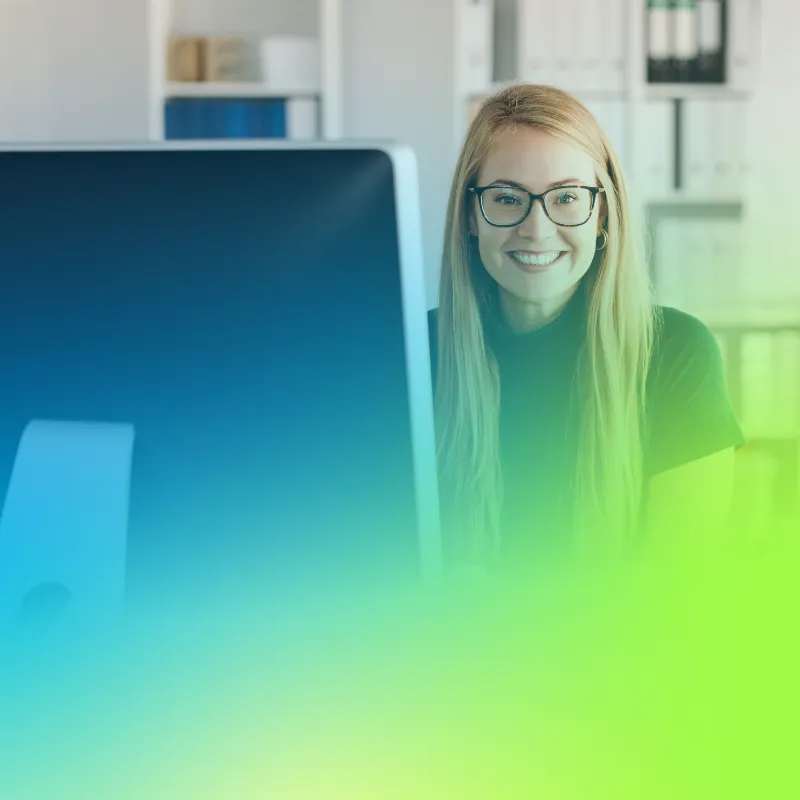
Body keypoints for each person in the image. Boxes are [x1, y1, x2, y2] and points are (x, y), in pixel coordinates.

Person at [429, 84, 745, 572]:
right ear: (472, 214)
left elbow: (682, 601)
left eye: (567, 198)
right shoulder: (411, 356)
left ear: (601, 214)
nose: (536, 228)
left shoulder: (675, 353)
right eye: (508, 198)